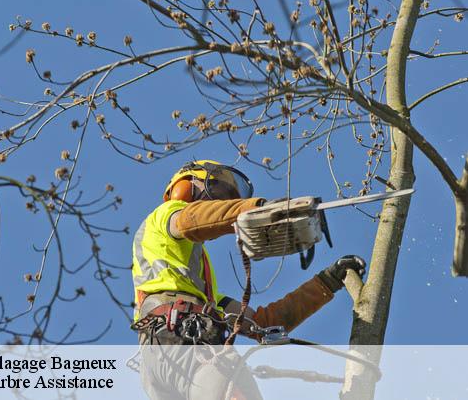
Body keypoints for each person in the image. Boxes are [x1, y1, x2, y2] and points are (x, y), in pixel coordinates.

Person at [132, 160, 366, 399]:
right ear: (185, 187)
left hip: (166, 356)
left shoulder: (204, 297)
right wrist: (257, 209)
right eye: (215, 194)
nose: (218, 205)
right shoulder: (164, 216)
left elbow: (264, 323)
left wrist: (324, 284)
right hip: (180, 341)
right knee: (229, 372)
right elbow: (193, 219)